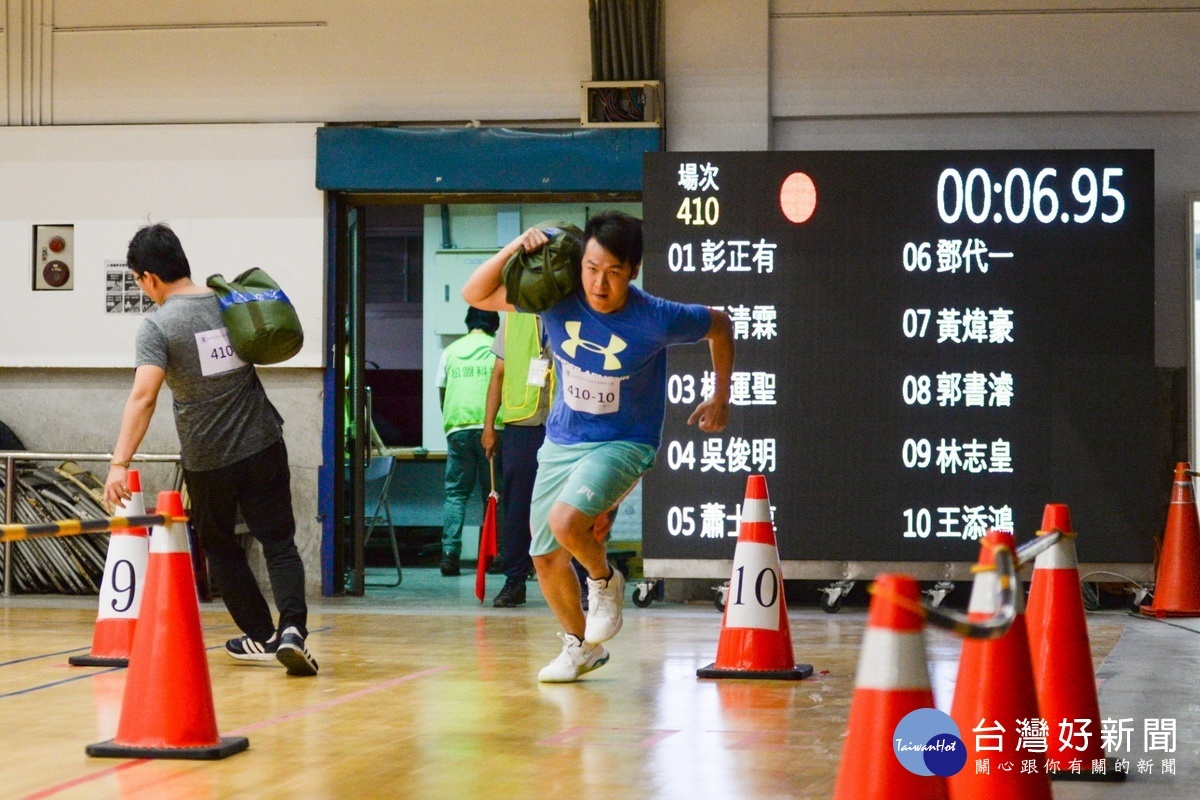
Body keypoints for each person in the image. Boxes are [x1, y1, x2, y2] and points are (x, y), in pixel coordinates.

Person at [462, 210, 734, 682]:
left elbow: (721, 324)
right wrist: (514, 247)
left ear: (633, 270)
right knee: (544, 555)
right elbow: (476, 294)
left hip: (626, 441)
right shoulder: (556, 296)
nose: (599, 283)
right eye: (591, 268)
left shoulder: (656, 317)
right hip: (564, 438)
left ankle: (605, 580)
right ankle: (580, 646)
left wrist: (721, 395)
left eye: (613, 272)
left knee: (566, 523)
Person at [102, 223, 317, 677]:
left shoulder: (158, 326)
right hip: (263, 443)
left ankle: (261, 636)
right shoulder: (229, 300)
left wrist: (119, 463)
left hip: (209, 459)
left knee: (220, 547)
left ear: (149, 278)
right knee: (278, 541)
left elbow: (143, 397)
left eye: (140, 283)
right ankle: (293, 631)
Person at [481, 311, 553, 607]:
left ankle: (583, 580)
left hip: (566, 426)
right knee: (517, 507)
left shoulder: (576, 312)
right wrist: (489, 427)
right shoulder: (513, 319)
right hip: (522, 426)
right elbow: (498, 373)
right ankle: (514, 580)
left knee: (574, 507)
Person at [436, 307, 501, 576]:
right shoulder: (498, 349)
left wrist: (453, 423)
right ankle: (494, 556)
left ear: (468, 323)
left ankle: (450, 554)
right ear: (494, 324)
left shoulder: (451, 351)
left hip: (459, 428)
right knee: (494, 495)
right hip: (493, 429)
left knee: (456, 494)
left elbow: (442, 389)